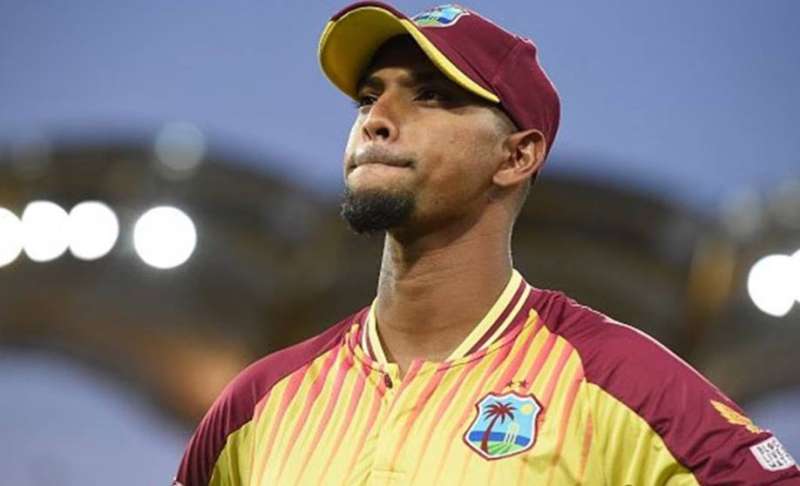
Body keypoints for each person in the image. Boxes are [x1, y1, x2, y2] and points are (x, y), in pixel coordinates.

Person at [174, 2, 799, 485]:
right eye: (368, 96)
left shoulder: (620, 382)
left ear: (517, 156)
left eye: (430, 95)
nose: (375, 119)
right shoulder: (257, 403)